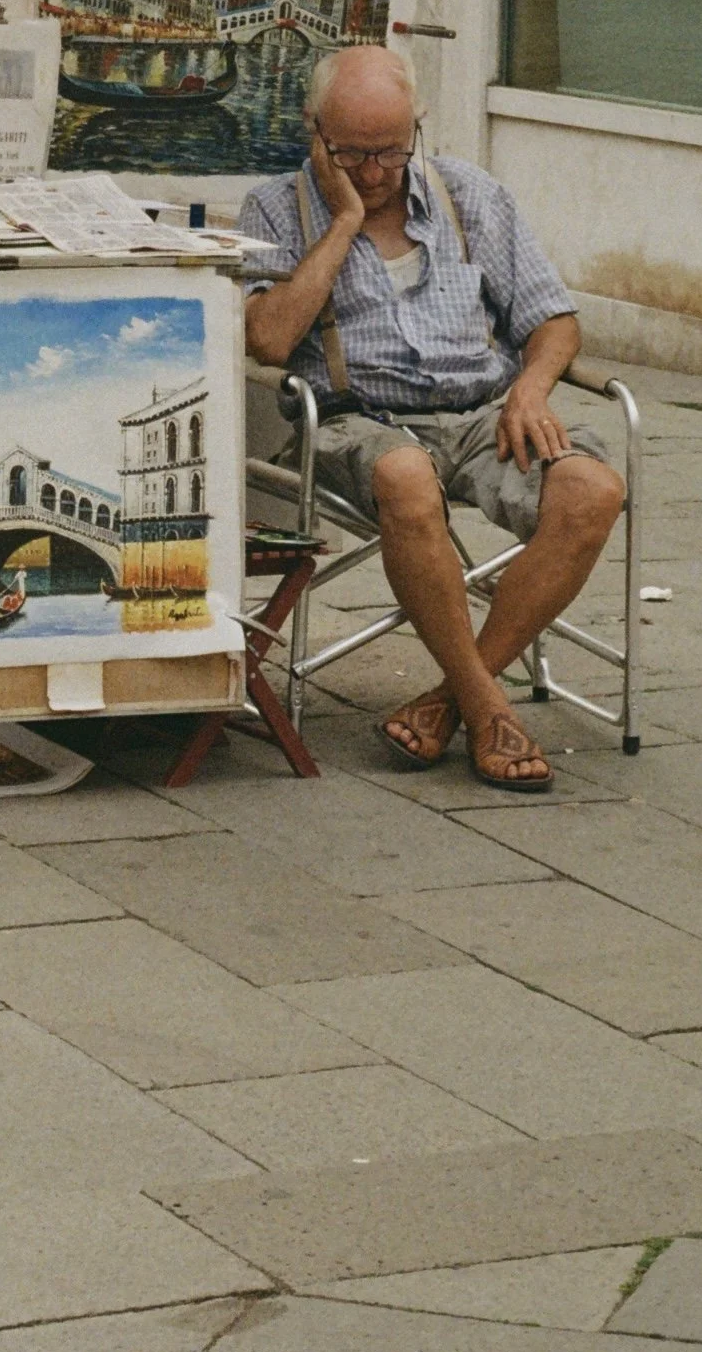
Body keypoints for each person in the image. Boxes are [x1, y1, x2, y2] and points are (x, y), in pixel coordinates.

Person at [239, 44, 623, 792]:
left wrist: (533, 386)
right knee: (407, 476)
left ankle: (449, 699)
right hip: (357, 418)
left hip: (484, 410)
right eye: (350, 154)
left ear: (416, 127)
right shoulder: (274, 207)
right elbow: (269, 338)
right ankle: (489, 710)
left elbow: (552, 320)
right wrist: (343, 219)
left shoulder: (469, 195)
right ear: (314, 131)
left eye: (389, 151)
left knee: (593, 491)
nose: (375, 173)